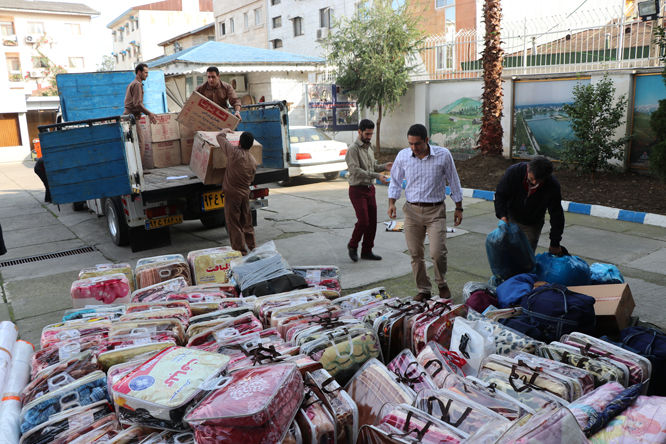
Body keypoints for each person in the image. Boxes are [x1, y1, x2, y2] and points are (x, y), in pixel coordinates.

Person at [388, 124, 463, 301]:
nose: (414, 148)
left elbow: (454, 181)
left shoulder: (443, 155)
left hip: (435, 211)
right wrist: (392, 203)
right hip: (411, 211)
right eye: (411, 144)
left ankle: (442, 283)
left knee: (437, 252)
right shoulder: (403, 156)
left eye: (418, 144)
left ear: (427, 140)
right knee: (415, 253)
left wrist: (459, 207)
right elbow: (395, 181)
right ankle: (424, 289)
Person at [494, 156, 564, 254]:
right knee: (506, 252)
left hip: (533, 223)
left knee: (526, 256)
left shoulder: (552, 186)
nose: (535, 182)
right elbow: (501, 195)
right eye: (532, 178)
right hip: (511, 218)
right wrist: (502, 215)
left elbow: (557, 215)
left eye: (539, 181)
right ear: (528, 168)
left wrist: (555, 243)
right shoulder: (514, 172)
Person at [345, 119, 392, 262]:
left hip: (370, 189)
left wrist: (384, 166)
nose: (369, 136)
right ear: (359, 132)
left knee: (372, 222)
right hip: (357, 190)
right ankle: (352, 246)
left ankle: (367, 250)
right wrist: (378, 176)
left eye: (371, 134)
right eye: (367, 133)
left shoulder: (368, 147)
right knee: (364, 221)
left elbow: (372, 167)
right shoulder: (353, 149)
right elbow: (356, 171)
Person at [216, 128, 257, 255]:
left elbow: (219, 137)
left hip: (232, 195)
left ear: (239, 142)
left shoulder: (233, 153)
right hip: (245, 194)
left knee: (234, 224)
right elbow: (251, 178)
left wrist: (225, 131)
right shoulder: (253, 161)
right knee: (247, 222)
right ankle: (253, 248)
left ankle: (241, 252)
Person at [123, 63, 157, 164]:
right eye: (145, 72)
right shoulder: (137, 84)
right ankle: (140, 169)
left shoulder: (132, 83)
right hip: (132, 118)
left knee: (132, 144)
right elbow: (137, 104)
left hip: (127, 116)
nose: (147, 75)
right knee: (141, 142)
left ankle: (136, 168)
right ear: (139, 72)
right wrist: (149, 113)